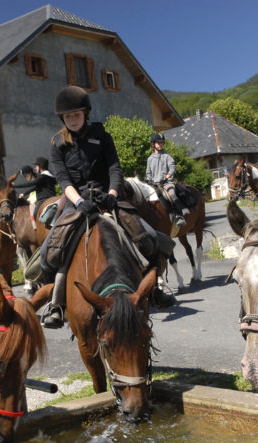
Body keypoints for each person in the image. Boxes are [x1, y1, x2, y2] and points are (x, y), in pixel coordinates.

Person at [40, 86, 176, 328]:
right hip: (76, 201)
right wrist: (80, 202)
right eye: (68, 116)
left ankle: (153, 290)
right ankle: (57, 304)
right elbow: (63, 179)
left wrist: (113, 194)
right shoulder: (57, 143)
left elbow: (115, 168)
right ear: (62, 118)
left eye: (76, 115)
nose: (72, 120)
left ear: (85, 114)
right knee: (47, 254)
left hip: (107, 196)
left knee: (152, 239)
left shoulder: (102, 136)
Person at [146, 132, 188, 226]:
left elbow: (172, 167)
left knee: (172, 193)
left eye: (162, 143)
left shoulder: (167, 156)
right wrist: (148, 179)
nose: (161, 144)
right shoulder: (149, 159)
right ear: (153, 144)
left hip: (166, 183)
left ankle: (179, 216)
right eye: (158, 142)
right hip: (154, 184)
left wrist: (168, 175)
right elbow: (148, 173)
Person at [14, 158, 57, 229]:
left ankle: (38, 229)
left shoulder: (43, 176)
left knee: (35, 213)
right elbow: (35, 188)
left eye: (36, 166)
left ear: (41, 166)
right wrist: (24, 193)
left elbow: (31, 184)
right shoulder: (48, 176)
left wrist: (14, 186)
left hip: (44, 199)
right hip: (51, 197)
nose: (35, 168)